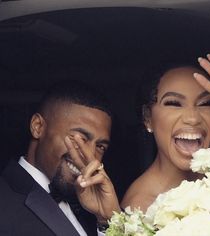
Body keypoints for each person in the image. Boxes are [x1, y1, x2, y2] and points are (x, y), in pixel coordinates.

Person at [0, 80, 120, 236]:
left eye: (100, 146)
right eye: (79, 138)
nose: (89, 156)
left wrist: (107, 222)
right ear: (38, 127)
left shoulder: (95, 210)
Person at [121, 53, 210, 213]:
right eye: (174, 103)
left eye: (205, 103)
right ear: (148, 118)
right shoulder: (141, 208)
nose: (192, 118)